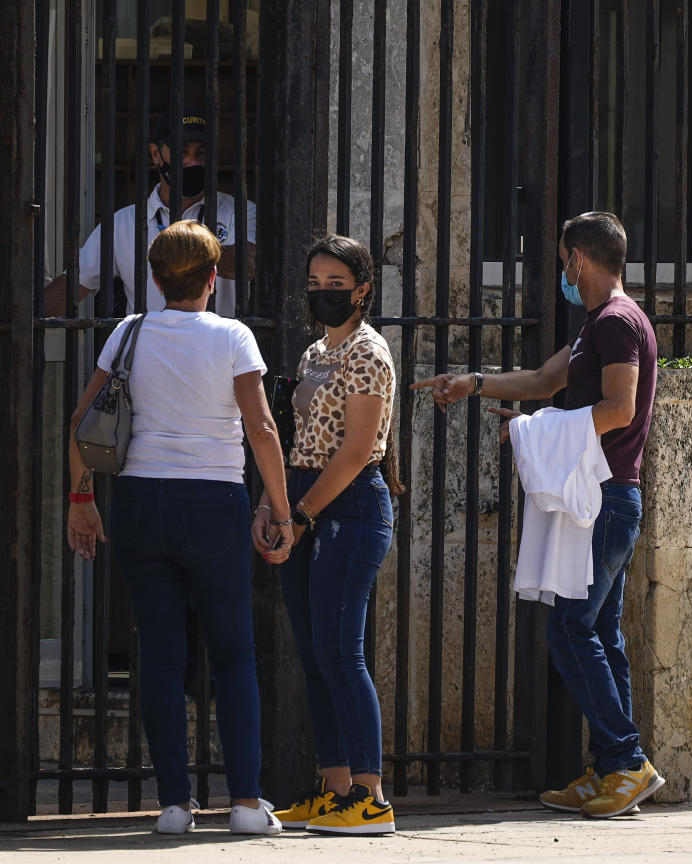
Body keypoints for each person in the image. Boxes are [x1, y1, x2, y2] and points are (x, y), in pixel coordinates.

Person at [413, 211, 663, 819]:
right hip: (604, 499)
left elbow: (620, 409)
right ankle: (612, 770)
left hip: (603, 500)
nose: (562, 274)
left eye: (562, 261)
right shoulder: (595, 325)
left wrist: (538, 432)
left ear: (577, 258)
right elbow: (543, 380)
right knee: (600, 632)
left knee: (569, 630)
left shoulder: (617, 322)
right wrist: (473, 383)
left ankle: (627, 763)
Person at [65, 219, 290, 835]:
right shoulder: (233, 336)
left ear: (156, 278)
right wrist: (280, 507)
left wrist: (81, 498)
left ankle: (172, 804)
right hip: (213, 502)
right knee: (234, 655)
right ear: (213, 278)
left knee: (160, 658)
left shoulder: (127, 333)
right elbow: (263, 428)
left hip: (140, 502)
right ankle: (246, 803)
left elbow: (83, 424)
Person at [253, 234, 400, 836]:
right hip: (306, 502)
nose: (323, 294)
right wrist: (272, 502)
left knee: (343, 652)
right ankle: (334, 787)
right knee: (316, 657)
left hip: (350, 506)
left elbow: (358, 450)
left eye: (335, 286)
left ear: (362, 289)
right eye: (315, 284)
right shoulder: (315, 353)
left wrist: (301, 514)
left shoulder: (370, 353)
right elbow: (296, 442)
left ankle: (370, 795)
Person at [46, 103, 257, 318]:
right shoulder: (123, 223)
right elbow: (71, 288)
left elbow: (249, 264)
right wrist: (22, 323)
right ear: (156, 153)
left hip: (215, 349)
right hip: (152, 348)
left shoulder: (239, 212)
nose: (192, 161)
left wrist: (180, 253)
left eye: (201, 153)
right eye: (181, 152)